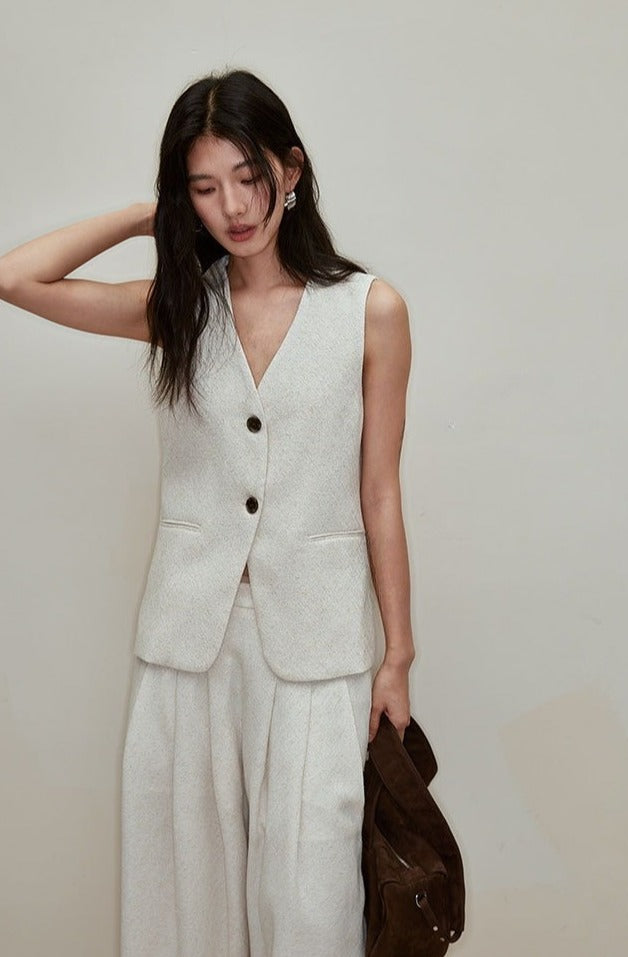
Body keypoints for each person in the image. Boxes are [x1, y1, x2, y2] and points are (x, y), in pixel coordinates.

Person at [0, 68, 415, 957]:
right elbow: (14, 278)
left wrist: (398, 656)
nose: (231, 205)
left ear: (290, 170)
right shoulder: (177, 308)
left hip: (319, 644)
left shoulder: (368, 311)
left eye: (247, 175)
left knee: (310, 901)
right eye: (202, 186)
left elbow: (379, 489)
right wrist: (143, 217)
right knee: (182, 892)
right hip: (189, 640)